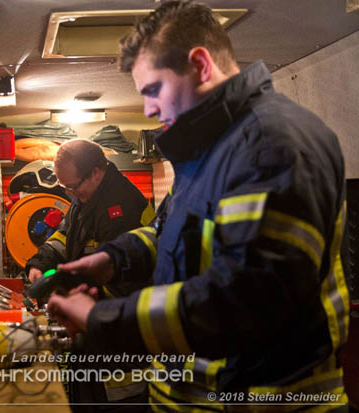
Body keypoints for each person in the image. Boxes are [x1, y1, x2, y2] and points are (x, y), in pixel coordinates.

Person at [48, 1, 350, 412]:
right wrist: (112, 258)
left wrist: (106, 318)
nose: (150, 110)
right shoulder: (209, 153)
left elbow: (246, 299)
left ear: (201, 66)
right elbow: (165, 232)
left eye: (153, 90)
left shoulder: (271, 145)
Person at [25, 139, 152, 411]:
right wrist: (40, 263)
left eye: (72, 186)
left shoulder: (124, 208)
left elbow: (126, 283)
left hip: (120, 341)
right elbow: (63, 236)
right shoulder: (85, 197)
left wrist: (71, 297)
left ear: (96, 172)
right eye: (65, 187)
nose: (70, 193)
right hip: (91, 330)